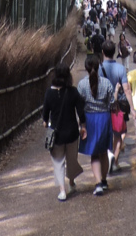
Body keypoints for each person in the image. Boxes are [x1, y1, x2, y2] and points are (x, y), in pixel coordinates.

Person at [42, 64, 87, 201]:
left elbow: (45, 115)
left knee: (58, 162)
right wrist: (83, 126)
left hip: (57, 135)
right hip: (72, 132)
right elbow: (80, 112)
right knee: (71, 159)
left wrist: (46, 122)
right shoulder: (73, 91)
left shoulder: (49, 93)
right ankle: (71, 182)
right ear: (68, 75)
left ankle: (62, 190)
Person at [77, 54, 114, 196]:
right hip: (104, 118)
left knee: (94, 154)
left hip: (90, 120)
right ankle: (104, 180)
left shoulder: (81, 85)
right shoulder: (106, 83)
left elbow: (80, 106)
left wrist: (82, 124)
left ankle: (98, 183)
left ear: (86, 68)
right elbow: (111, 103)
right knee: (104, 151)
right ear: (98, 67)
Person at [100, 41, 130, 172]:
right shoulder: (120, 69)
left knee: (105, 134)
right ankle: (115, 160)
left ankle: (108, 155)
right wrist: (133, 109)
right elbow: (127, 89)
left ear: (102, 52)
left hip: (102, 106)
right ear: (114, 52)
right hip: (117, 107)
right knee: (118, 134)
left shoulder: (98, 69)